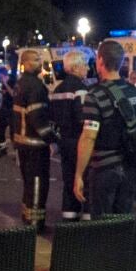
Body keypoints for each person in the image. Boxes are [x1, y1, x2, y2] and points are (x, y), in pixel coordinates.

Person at [75, 39, 136, 218]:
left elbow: (88, 137)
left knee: (102, 224)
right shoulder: (134, 92)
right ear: (121, 61)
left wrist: (78, 174)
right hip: (130, 167)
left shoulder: (95, 95)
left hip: (104, 169)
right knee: (122, 221)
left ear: (100, 61)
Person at [11, 49, 56, 231]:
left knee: (28, 183)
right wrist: (52, 139)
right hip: (35, 144)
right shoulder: (36, 86)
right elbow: (38, 118)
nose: (40, 62)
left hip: (22, 143)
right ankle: (35, 224)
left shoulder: (20, 84)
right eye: (37, 59)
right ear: (27, 63)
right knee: (38, 183)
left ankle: (26, 217)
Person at [50, 49, 89, 223]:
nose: (87, 68)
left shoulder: (57, 89)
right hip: (79, 140)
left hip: (64, 141)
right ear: (76, 67)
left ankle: (69, 218)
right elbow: (83, 118)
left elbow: (52, 117)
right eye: (85, 64)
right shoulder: (81, 89)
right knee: (84, 179)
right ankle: (88, 220)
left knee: (68, 180)